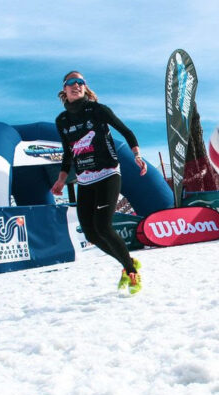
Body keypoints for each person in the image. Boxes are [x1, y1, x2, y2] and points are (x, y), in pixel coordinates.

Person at [51, 71, 147, 296]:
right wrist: (61, 179)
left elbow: (126, 131)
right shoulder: (62, 121)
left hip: (108, 173)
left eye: (80, 82)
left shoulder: (97, 109)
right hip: (84, 179)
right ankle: (127, 260)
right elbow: (68, 153)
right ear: (64, 90)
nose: (76, 85)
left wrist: (137, 155)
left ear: (85, 87)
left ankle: (132, 272)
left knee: (103, 226)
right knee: (91, 234)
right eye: (71, 83)